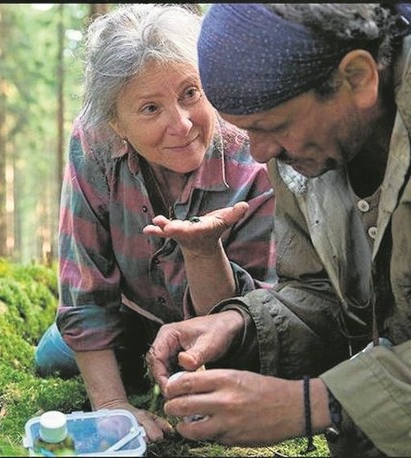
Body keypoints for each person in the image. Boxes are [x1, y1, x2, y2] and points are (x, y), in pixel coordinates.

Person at [146, 3, 411, 456]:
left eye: (273, 126)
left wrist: (310, 405)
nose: (261, 151)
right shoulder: (305, 153)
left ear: (357, 78)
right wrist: (240, 324)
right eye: (246, 132)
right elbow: (321, 294)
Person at [33, 3, 276, 443]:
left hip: (228, 330)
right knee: (53, 357)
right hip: (132, 314)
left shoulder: (253, 148)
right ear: (115, 123)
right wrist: (112, 407)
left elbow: (256, 317)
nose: (180, 125)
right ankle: (132, 362)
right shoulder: (93, 141)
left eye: (190, 93)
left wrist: (204, 252)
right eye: (150, 108)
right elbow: (85, 285)